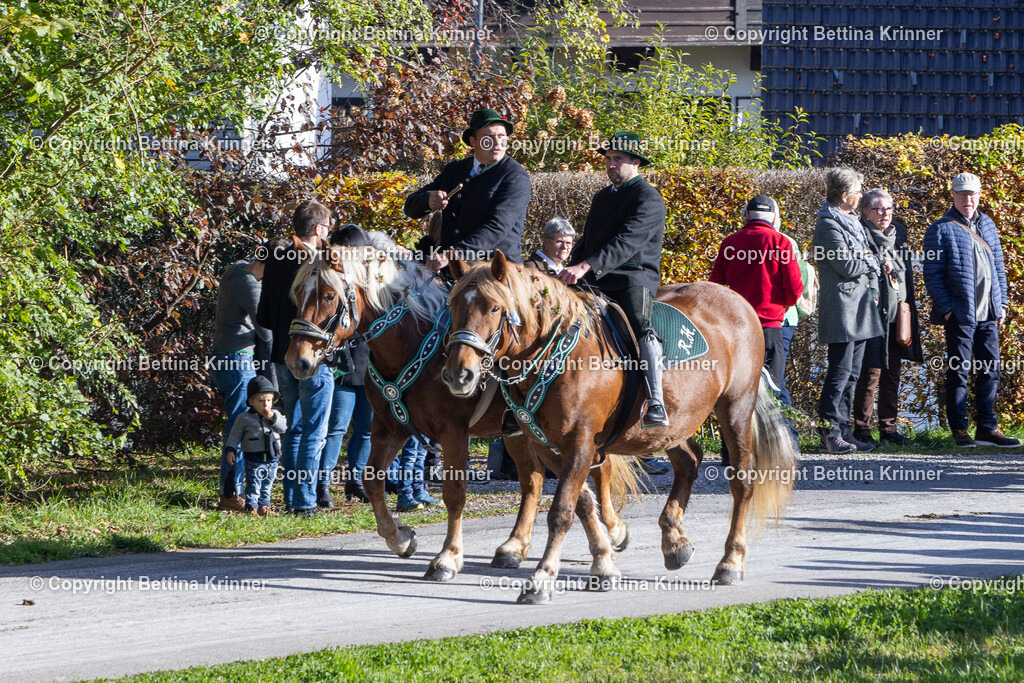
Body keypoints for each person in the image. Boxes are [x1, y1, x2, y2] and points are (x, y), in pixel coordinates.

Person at [560, 131, 669, 430]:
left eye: (618, 159)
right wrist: (566, 270)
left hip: (632, 277)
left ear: (636, 162)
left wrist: (585, 266)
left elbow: (627, 242)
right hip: (595, 277)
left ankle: (656, 401)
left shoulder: (648, 198)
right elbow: (588, 240)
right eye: (608, 159)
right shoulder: (602, 197)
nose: (610, 164)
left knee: (640, 324)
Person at [923, 173, 1020, 448]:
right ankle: (960, 430)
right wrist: (947, 309)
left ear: (979, 195)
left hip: (989, 313)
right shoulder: (939, 229)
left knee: (990, 370)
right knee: (958, 372)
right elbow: (932, 274)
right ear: (952, 194)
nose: (968, 199)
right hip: (960, 314)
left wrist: (1002, 304)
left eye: (972, 194)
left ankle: (987, 428)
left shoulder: (987, 224)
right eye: (962, 193)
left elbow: (998, 267)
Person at [710, 195, 804, 464]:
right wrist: (781, 304)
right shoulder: (781, 242)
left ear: (746, 216)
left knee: (734, 391)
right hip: (770, 326)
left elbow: (715, 286)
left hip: (735, 329)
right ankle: (771, 451)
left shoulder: (730, 243)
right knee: (773, 388)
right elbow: (795, 289)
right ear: (774, 217)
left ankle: (731, 453)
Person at [256, 199, 335, 516]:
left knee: (294, 429)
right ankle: (304, 501)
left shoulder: (276, 258)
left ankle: (292, 498)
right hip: (312, 356)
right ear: (319, 229)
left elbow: (263, 316)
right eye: (328, 228)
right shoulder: (317, 263)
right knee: (314, 431)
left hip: (281, 355)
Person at [404, 108, 531, 271]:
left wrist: (453, 255)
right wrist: (428, 200)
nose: (497, 142)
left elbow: (498, 226)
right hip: (451, 269)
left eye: (501, 137)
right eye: (488, 137)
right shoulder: (455, 170)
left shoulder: (515, 176)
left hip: (496, 271)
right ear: (473, 141)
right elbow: (410, 208)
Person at [812, 167, 883, 455]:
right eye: (857, 192)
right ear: (844, 196)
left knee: (852, 374)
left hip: (860, 306)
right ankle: (829, 434)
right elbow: (847, 266)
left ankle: (843, 432)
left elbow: (862, 263)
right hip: (842, 309)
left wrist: (871, 280)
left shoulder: (852, 222)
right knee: (839, 374)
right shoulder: (828, 225)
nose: (860, 196)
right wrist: (870, 260)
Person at [851, 189, 924, 447]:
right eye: (878, 209)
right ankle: (862, 430)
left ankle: (889, 428)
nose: (885, 214)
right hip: (871, 317)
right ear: (865, 211)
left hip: (897, 316)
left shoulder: (899, 235)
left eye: (889, 209)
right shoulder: (860, 235)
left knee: (892, 373)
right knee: (870, 374)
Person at [210, 249, 273, 512]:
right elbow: (266, 332)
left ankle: (234, 490)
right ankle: (231, 494)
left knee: (236, 423)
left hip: (221, 356)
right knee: (240, 427)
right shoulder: (251, 287)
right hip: (238, 360)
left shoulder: (235, 269)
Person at [224, 376, 287, 516]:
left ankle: (264, 506)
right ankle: (251, 507)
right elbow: (235, 435)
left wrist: (272, 418)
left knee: (267, 484)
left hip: (272, 458)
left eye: (269, 400)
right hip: (254, 458)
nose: (266, 405)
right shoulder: (244, 418)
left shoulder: (276, 415)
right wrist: (231, 449)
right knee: (254, 483)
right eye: (261, 401)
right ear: (251, 402)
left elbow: (283, 428)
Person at [390, 435, 440, 512]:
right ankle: (404, 495)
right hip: (411, 428)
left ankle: (418, 492)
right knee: (410, 455)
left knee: (421, 455)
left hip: (424, 428)